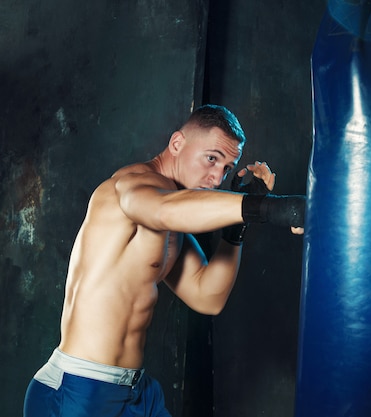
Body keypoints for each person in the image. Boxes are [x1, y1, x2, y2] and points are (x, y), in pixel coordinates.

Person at [23, 104, 305, 417]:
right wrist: (274, 208)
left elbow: (207, 296)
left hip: (136, 393)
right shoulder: (130, 186)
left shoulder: (173, 222)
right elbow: (162, 209)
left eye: (226, 168)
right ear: (177, 144)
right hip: (80, 391)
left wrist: (238, 226)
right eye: (211, 158)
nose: (216, 177)